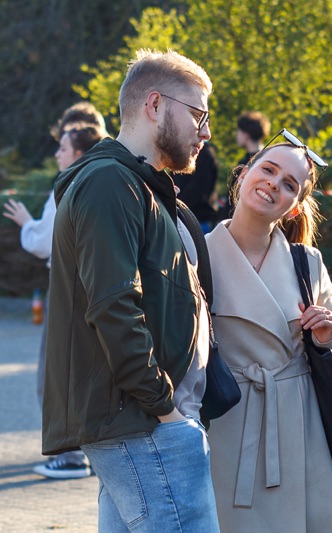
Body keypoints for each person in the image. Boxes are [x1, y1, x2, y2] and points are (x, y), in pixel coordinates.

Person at [43, 49, 220, 531]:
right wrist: (164, 408)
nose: (206, 132)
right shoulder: (110, 183)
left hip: (143, 423)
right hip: (144, 424)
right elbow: (113, 304)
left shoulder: (138, 185)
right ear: (155, 104)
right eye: (199, 115)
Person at [205, 130, 332, 532]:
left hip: (299, 430)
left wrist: (326, 338)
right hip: (224, 425)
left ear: (294, 207)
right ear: (243, 175)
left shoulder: (308, 263)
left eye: (290, 184)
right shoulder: (195, 254)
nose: (274, 184)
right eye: (268, 170)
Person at [3, 102, 107, 479]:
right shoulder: (108, 178)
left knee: (58, 371)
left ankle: (69, 455)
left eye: (62, 146)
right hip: (98, 286)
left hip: (70, 287)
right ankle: (91, 450)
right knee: (91, 370)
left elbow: (45, 241)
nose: (57, 153)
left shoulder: (71, 183)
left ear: (78, 149)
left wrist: (26, 223)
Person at [223, 111, 270, 217]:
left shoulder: (246, 163)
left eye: (238, 131)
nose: (237, 135)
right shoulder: (268, 162)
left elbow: (233, 198)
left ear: (246, 134)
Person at [173, 141, 219, 232]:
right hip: (186, 216)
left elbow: (197, 190)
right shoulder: (184, 150)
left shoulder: (204, 155)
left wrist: (177, 206)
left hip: (196, 219)